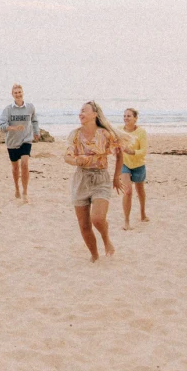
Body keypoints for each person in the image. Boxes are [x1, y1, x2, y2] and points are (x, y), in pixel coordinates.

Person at [63, 101, 127, 262]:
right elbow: (67, 157)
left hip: (100, 178)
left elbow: (119, 154)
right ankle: (94, 255)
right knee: (84, 225)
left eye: (84, 110)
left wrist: (116, 176)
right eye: (80, 110)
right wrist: (77, 161)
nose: (80, 113)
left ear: (94, 115)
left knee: (97, 219)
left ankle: (106, 240)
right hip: (81, 179)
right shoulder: (75, 135)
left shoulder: (105, 134)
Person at [0, 84, 40, 203]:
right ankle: (17, 188)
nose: (18, 94)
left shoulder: (30, 107)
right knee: (15, 167)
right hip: (12, 142)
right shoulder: (8, 110)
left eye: (19, 92)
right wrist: (13, 128)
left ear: (23, 93)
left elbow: (34, 120)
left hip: (26, 139)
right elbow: (1, 126)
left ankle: (25, 192)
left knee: (25, 164)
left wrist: (36, 132)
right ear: (12, 95)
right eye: (15, 92)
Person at [119, 108, 149, 230]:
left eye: (129, 116)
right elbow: (113, 144)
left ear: (135, 118)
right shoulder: (119, 130)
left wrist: (131, 151)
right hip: (124, 164)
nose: (126, 118)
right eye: (124, 115)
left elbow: (143, 151)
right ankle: (126, 221)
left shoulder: (141, 132)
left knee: (140, 190)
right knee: (128, 191)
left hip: (138, 164)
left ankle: (142, 214)